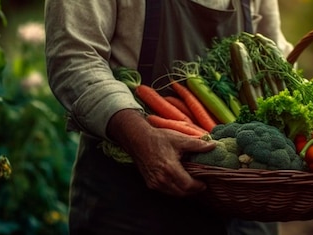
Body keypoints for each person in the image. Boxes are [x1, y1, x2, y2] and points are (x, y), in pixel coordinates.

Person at [44, 0, 294, 234]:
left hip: (247, 208)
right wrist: (141, 137)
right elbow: (75, 58)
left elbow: (271, 54)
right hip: (132, 206)